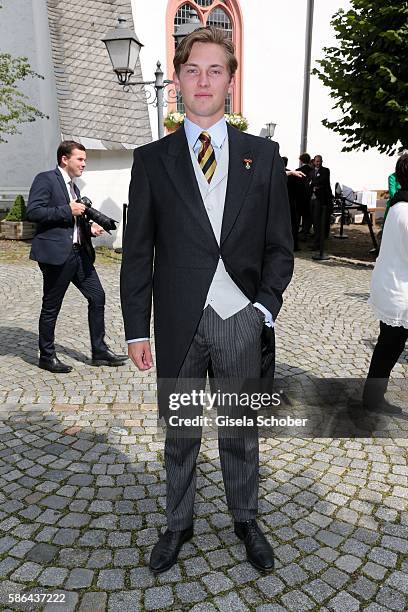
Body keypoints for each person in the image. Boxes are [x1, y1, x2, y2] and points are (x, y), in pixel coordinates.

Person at [121, 27, 294, 574]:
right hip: (177, 323)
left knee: (241, 431)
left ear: (230, 81)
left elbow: (280, 246)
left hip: (241, 319)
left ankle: (246, 518)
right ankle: (178, 523)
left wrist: (263, 308)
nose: (203, 80)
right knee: (181, 432)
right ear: (178, 78)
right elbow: (138, 252)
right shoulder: (151, 160)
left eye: (214, 70)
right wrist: (136, 328)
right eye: (193, 69)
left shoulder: (262, 156)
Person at [26, 141, 128, 373]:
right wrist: (67, 210)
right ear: (65, 159)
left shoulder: (74, 187)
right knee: (51, 306)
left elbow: (73, 220)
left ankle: (99, 350)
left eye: (84, 160)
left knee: (98, 297)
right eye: (80, 159)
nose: (84, 163)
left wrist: (88, 227)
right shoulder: (46, 179)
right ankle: (47, 356)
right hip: (56, 255)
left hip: (78, 254)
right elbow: (33, 211)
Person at [363, 154, 408, 415]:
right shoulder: (405, 211)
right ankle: (372, 399)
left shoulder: (399, 204)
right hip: (399, 292)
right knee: (389, 348)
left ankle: (372, 398)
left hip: (393, 288)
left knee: (388, 347)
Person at [309, 154, 333, 250]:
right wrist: (313, 184)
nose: (318, 163)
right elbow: (307, 183)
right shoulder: (311, 172)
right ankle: (315, 241)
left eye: (319, 161)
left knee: (318, 221)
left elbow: (323, 181)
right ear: (314, 162)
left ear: (322, 161)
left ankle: (318, 244)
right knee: (314, 222)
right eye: (316, 161)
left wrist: (313, 183)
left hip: (320, 199)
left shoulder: (325, 170)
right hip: (312, 199)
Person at [295, 153, 313, 236]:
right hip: (309, 196)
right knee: (307, 216)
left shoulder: (298, 170)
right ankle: (305, 232)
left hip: (299, 196)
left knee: (298, 215)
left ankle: (296, 232)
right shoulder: (312, 170)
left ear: (301, 160)